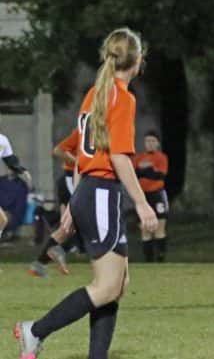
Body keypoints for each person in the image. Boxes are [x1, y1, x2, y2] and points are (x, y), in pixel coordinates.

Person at [15, 27, 158, 359]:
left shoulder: (96, 93)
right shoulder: (122, 97)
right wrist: (142, 203)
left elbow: (82, 153)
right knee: (107, 286)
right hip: (102, 194)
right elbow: (119, 156)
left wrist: (73, 201)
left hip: (89, 191)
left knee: (116, 286)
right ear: (137, 61)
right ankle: (34, 331)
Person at [29, 128, 80, 277]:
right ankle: (59, 249)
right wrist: (79, 162)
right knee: (79, 221)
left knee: (68, 227)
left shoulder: (102, 131)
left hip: (74, 180)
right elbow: (59, 150)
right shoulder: (84, 129)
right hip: (71, 179)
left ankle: (40, 263)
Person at [132, 131, 170, 262]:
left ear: (158, 143)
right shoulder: (138, 158)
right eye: (148, 141)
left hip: (157, 194)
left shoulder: (161, 158)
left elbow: (160, 175)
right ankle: (148, 259)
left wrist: (147, 169)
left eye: (153, 141)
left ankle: (161, 257)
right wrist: (145, 171)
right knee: (144, 228)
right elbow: (134, 174)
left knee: (160, 227)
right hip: (143, 196)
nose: (150, 144)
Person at [0, 126, 33, 242]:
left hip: (11, 213)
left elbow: (10, 160)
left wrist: (23, 171)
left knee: (2, 220)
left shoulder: (3, 140)